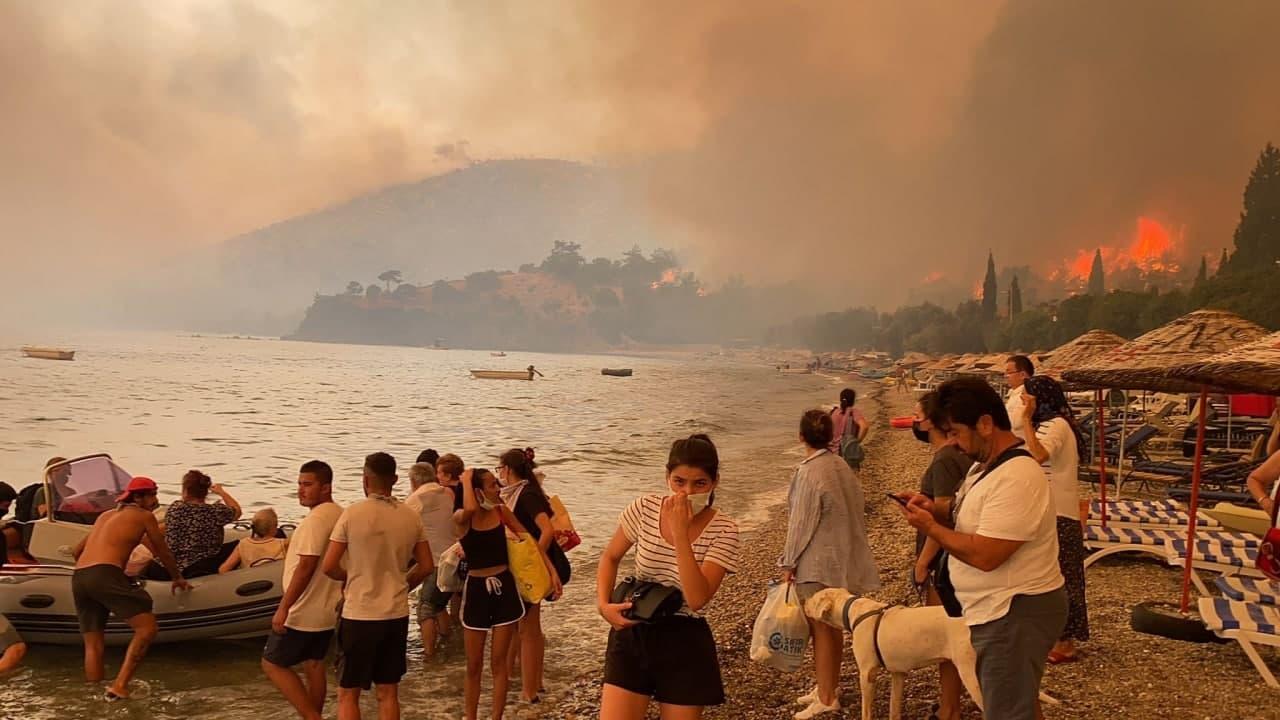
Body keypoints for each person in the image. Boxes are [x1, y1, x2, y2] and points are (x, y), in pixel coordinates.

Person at [898, 377, 1066, 720]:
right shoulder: (984, 466)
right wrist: (935, 509)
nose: (954, 444)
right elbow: (971, 515)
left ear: (986, 423)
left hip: (1014, 612)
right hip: (998, 609)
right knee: (1018, 703)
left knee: (1007, 711)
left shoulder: (1018, 475)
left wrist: (931, 529)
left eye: (957, 432)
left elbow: (986, 554)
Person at [597, 434, 741, 719]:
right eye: (679, 481)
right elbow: (609, 557)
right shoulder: (644, 509)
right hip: (634, 629)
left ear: (714, 482)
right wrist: (603, 605)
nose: (687, 492)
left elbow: (698, 598)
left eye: (699, 483)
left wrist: (680, 534)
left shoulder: (725, 530)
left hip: (684, 640)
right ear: (667, 477)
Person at [781, 411, 881, 719]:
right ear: (830, 436)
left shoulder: (809, 471)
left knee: (821, 628)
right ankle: (827, 686)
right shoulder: (840, 465)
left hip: (817, 561)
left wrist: (788, 562)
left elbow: (801, 522)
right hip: (843, 556)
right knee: (832, 626)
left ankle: (826, 695)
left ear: (801, 437)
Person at [322, 452, 433, 720]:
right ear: (394, 479)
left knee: (348, 692)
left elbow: (328, 566)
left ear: (365, 479)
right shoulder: (410, 516)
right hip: (395, 613)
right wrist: (404, 585)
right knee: (388, 691)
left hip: (359, 613)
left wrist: (349, 577)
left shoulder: (352, 514)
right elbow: (427, 565)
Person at [70, 476, 190, 700]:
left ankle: (94, 694)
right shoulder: (144, 516)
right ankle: (119, 686)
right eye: (152, 495)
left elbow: (77, 551)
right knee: (147, 629)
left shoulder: (105, 516)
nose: (155, 500)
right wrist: (177, 577)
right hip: (105, 574)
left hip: (80, 576)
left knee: (93, 645)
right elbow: (161, 550)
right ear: (137, 497)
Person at [454, 468, 552, 720]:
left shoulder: (501, 511)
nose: (498, 489)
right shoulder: (462, 519)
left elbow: (528, 540)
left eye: (497, 483)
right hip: (476, 592)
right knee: (473, 665)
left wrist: (550, 571)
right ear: (476, 491)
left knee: (499, 664)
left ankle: (496, 717)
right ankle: (470, 716)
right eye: (491, 485)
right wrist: (465, 479)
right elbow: (470, 509)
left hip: (504, 590)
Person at [263, 461, 344, 720]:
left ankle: (312, 717)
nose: (301, 490)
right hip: (327, 608)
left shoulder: (315, 521)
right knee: (314, 663)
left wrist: (284, 607)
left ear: (326, 487)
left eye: (307, 485)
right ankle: (313, 713)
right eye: (299, 484)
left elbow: (306, 566)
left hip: (304, 610)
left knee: (272, 663)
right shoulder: (340, 514)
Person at [909, 392, 972, 720]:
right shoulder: (952, 456)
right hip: (950, 557)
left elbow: (945, 515)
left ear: (931, 420)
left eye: (918, 415)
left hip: (942, 561)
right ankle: (952, 702)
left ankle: (950, 708)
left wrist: (922, 563)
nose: (914, 421)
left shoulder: (945, 458)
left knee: (947, 639)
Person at [1021, 375, 1090, 664]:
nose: (1022, 401)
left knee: (1064, 576)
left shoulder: (1055, 426)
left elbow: (1038, 454)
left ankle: (1065, 642)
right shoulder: (1053, 425)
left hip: (1059, 513)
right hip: (1053, 511)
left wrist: (1026, 419)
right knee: (1053, 574)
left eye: (1026, 397)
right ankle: (1056, 636)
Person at [497, 447, 565, 704]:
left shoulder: (526, 494)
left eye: (499, 469)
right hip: (528, 567)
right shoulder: (525, 492)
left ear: (508, 469)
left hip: (529, 568)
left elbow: (546, 530)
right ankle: (533, 684)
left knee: (529, 630)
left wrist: (535, 560)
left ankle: (530, 690)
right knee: (528, 629)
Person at [406, 458, 462, 657]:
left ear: (414, 481)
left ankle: (429, 656)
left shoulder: (416, 499)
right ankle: (449, 641)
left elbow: (401, 530)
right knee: (438, 604)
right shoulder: (447, 492)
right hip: (456, 559)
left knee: (426, 608)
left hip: (437, 562)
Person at [149, 470, 242, 578]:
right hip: (197, 565)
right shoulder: (215, 511)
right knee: (240, 544)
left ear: (185, 490)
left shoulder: (175, 508)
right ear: (206, 492)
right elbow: (237, 511)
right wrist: (221, 492)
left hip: (165, 567)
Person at [219, 508, 288, 573]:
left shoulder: (243, 544)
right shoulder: (283, 544)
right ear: (274, 528)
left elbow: (223, 570)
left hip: (251, 581)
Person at [830, 389, 869, 470]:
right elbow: (864, 427)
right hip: (848, 453)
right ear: (853, 400)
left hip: (832, 453)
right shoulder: (853, 412)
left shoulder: (833, 412)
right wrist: (857, 441)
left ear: (840, 399)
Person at [1004, 355, 1035, 440]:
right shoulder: (1014, 393)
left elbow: (1017, 423)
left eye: (1009, 372)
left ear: (1022, 374)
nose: (1005, 376)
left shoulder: (1027, 395)